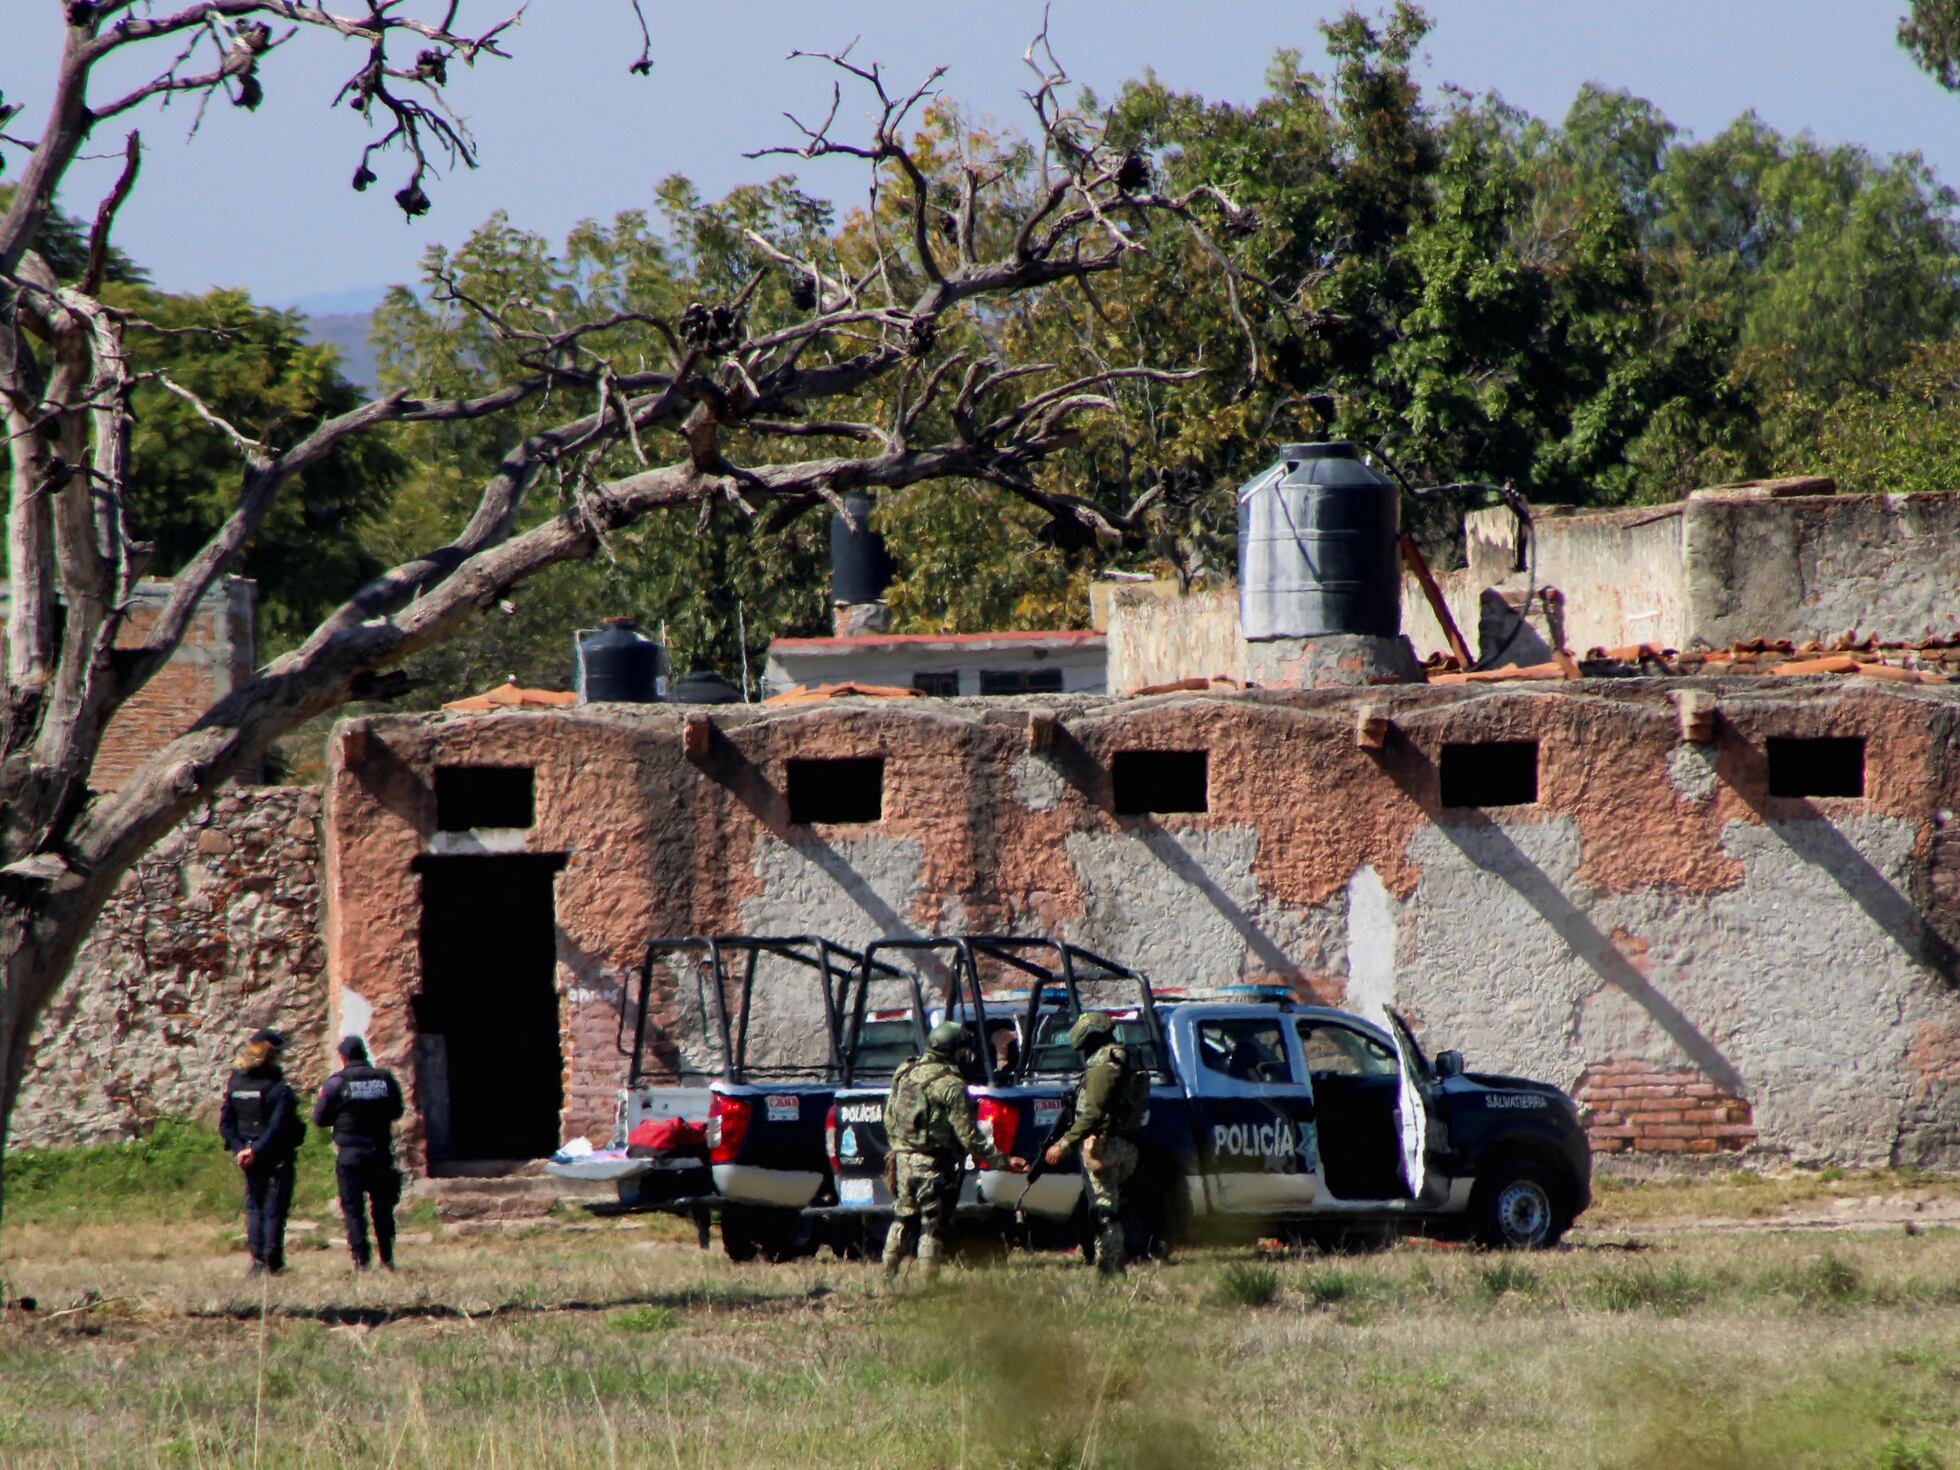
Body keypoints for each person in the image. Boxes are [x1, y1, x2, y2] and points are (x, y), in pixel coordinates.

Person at [881, 1021, 1028, 1280]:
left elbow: (889, 1114)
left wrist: (899, 1148)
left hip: (902, 1158)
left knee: (902, 1216)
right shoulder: (950, 1084)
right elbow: (969, 1137)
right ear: (955, 1051)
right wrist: (1002, 1161)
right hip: (933, 1162)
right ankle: (929, 1281)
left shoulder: (906, 1070)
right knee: (931, 1224)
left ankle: (886, 1274)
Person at [1043, 1011, 1149, 1277]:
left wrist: (1064, 1145)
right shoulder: (1122, 1057)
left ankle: (1110, 1268)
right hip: (1123, 1142)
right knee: (1107, 1207)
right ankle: (1112, 1263)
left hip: (1104, 1145)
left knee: (1104, 1211)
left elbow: (1093, 1113)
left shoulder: (1103, 1066)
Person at [313, 1035, 406, 1272]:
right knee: (383, 1208)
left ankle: (361, 1261)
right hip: (379, 1152)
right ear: (365, 1053)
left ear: (343, 1058)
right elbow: (397, 1110)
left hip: (351, 1155)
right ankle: (387, 1257)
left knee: (353, 1209)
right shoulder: (384, 1079)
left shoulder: (336, 1083)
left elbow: (320, 1119)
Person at [218, 1027, 303, 1277]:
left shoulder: (236, 1084)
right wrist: (256, 1149)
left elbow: (226, 1124)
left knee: (255, 1206)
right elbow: (278, 1126)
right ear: (272, 1056)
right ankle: (272, 1261)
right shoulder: (278, 1089)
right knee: (274, 1208)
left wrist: (241, 1150)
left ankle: (257, 1261)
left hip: (248, 1155)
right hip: (274, 1156)